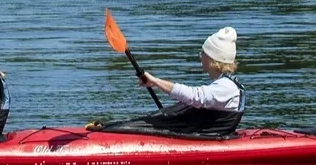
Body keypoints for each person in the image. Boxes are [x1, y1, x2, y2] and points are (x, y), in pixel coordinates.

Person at [96, 27, 245, 137]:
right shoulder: (224, 84)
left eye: (203, 53)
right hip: (197, 132)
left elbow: (195, 96)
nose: (200, 57)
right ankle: (109, 129)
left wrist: (155, 80)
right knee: (144, 122)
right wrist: (155, 83)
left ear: (213, 59)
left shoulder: (227, 87)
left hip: (204, 136)